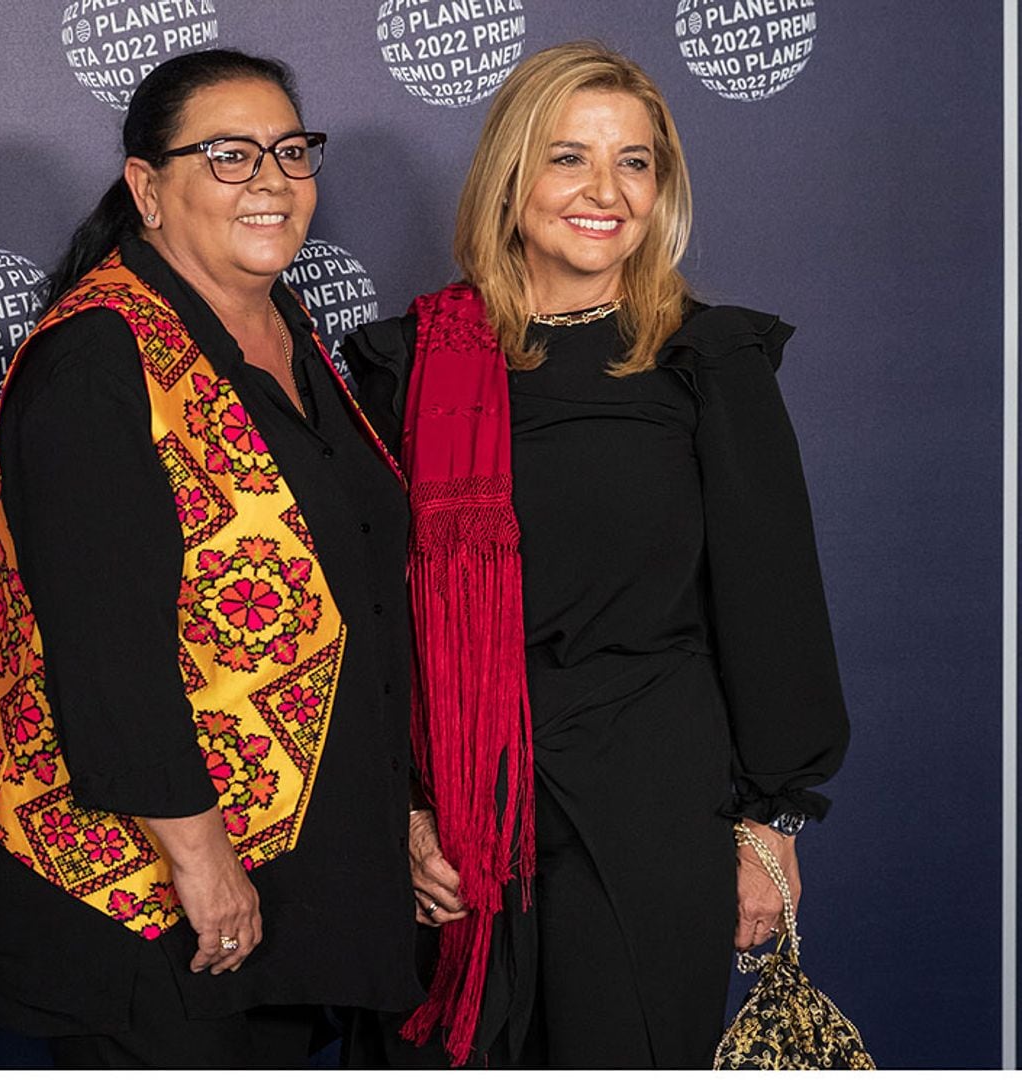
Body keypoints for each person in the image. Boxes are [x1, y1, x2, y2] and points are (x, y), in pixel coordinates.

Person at [343, 41, 850, 1068]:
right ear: (509, 176)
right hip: (455, 820)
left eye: (636, 162)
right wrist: (399, 813)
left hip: (647, 813)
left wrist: (769, 826)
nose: (605, 191)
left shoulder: (709, 361)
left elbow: (772, 601)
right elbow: (367, 619)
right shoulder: (409, 365)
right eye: (569, 157)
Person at [0, 49, 421, 1067]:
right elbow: (108, 652)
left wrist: (399, 814)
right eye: (231, 155)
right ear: (147, 188)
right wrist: (205, 868)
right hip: (152, 909)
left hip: (295, 885)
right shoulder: (96, 360)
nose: (274, 180)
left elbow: (361, 600)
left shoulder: (283, 328)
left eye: (292, 151)